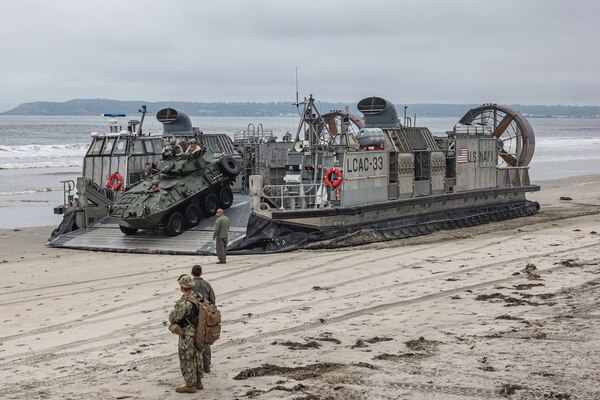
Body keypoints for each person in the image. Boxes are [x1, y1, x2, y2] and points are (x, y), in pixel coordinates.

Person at [168, 274, 205, 393]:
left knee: (186, 358)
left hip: (187, 334)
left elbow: (174, 318)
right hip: (199, 332)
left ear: (182, 287)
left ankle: (190, 385)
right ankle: (198, 381)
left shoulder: (183, 302)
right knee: (197, 356)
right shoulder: (199, 297)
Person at [191, 264, 216, 373]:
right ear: (201, 273)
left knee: (194, 340)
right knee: (205, 341)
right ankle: (207, 365)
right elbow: (213, 299)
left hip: (194, 317)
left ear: (192, 273)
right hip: (206, 315)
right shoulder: (207, 284)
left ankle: (196, 366)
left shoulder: (191, 285)